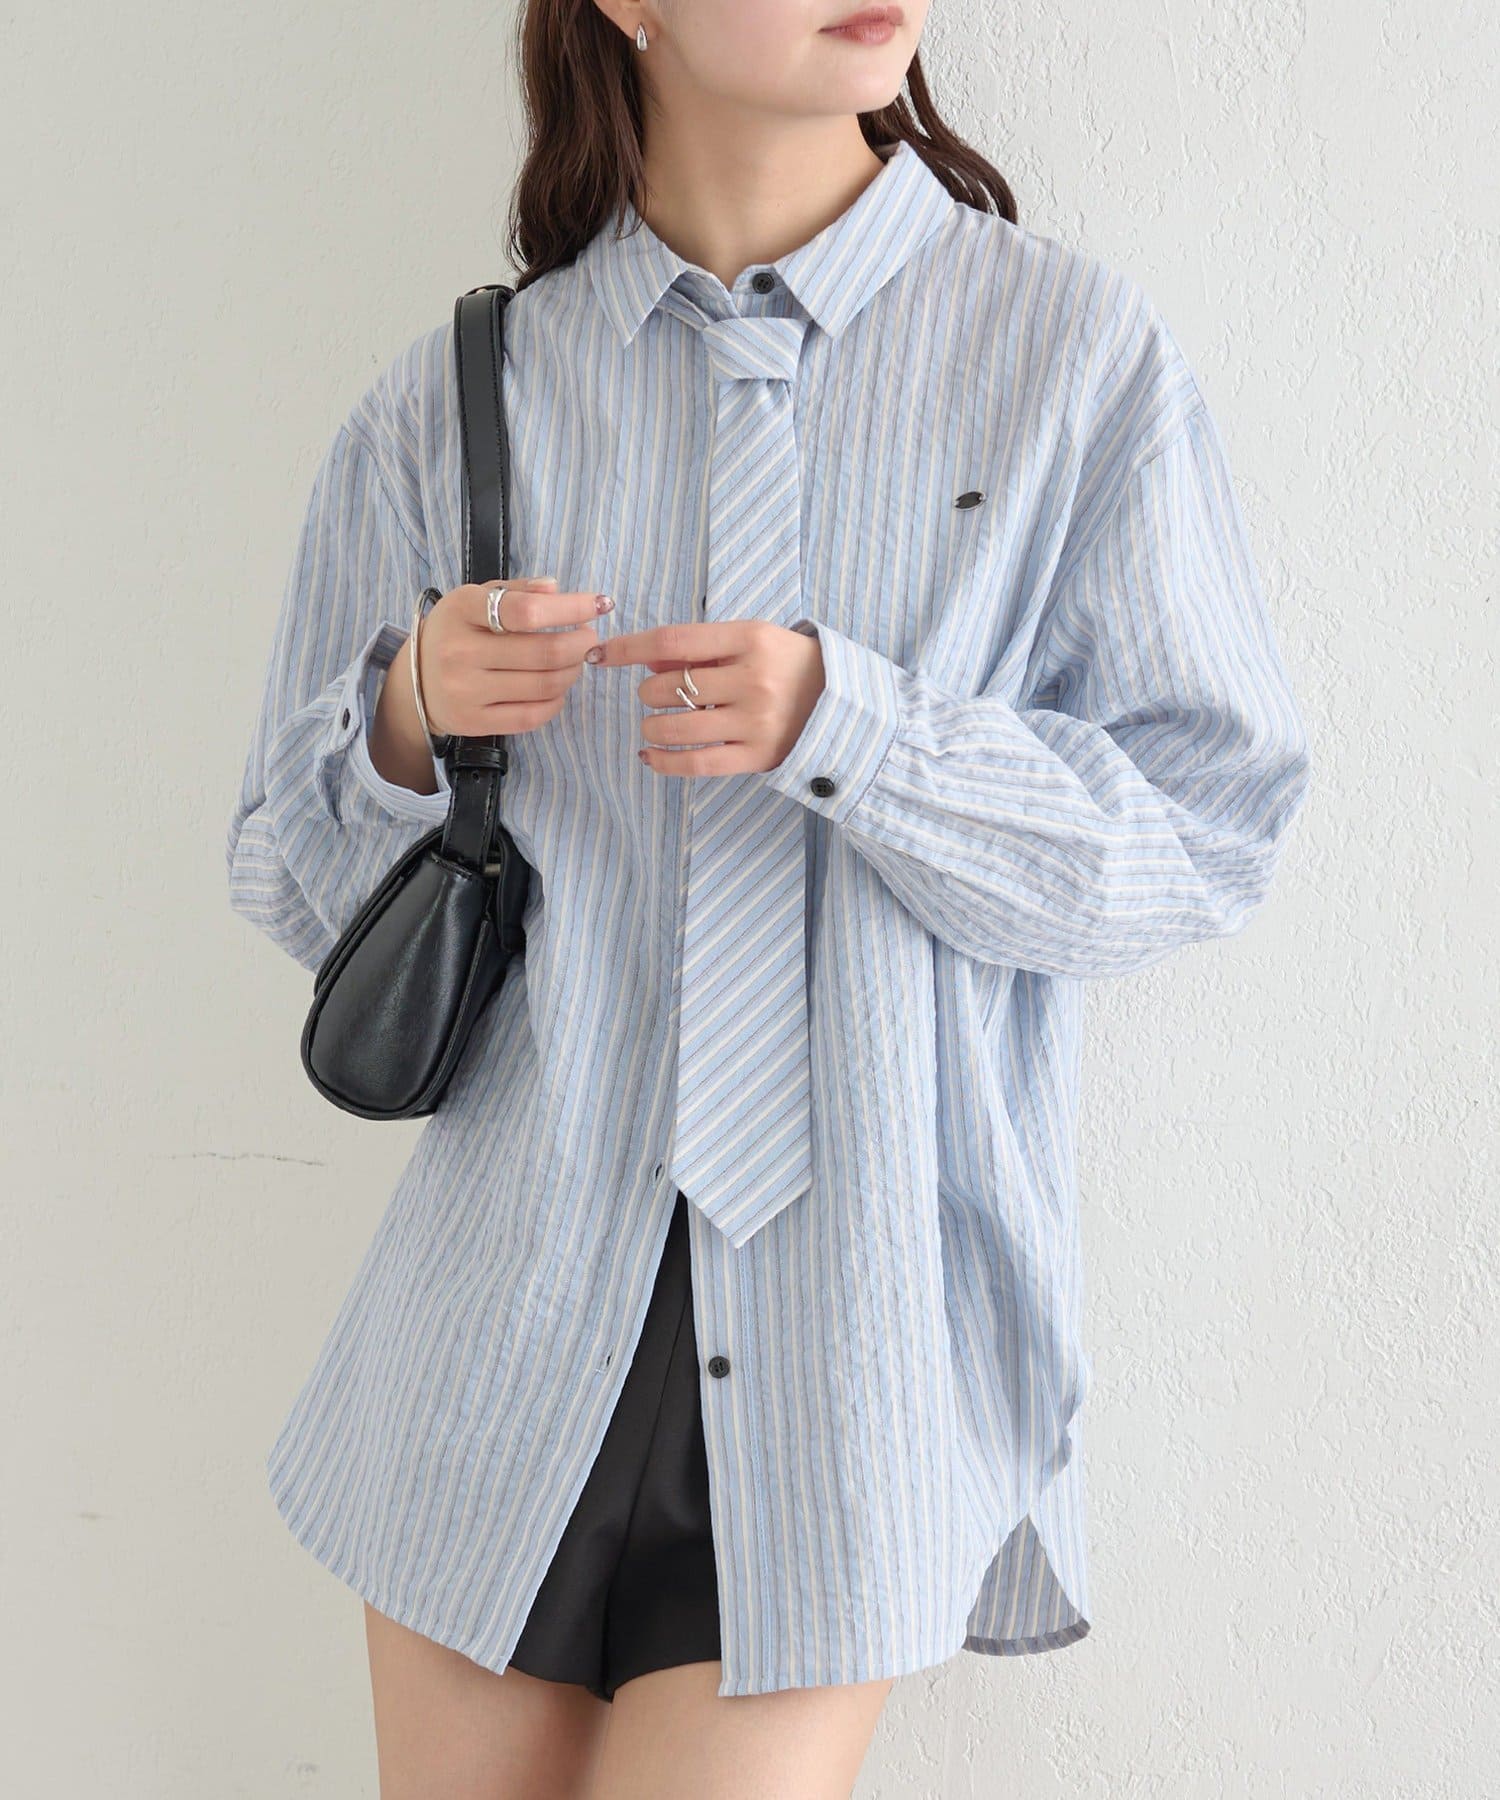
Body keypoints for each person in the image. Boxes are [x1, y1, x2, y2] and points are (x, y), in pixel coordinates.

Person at [226, 2, 1313, 1795]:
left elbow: (1211, 828)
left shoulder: (1064, 358)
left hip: (850, 1359)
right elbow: (286, 876)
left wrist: (856, 731)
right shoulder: (462, 396)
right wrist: (409, 711)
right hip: (494, 1345)